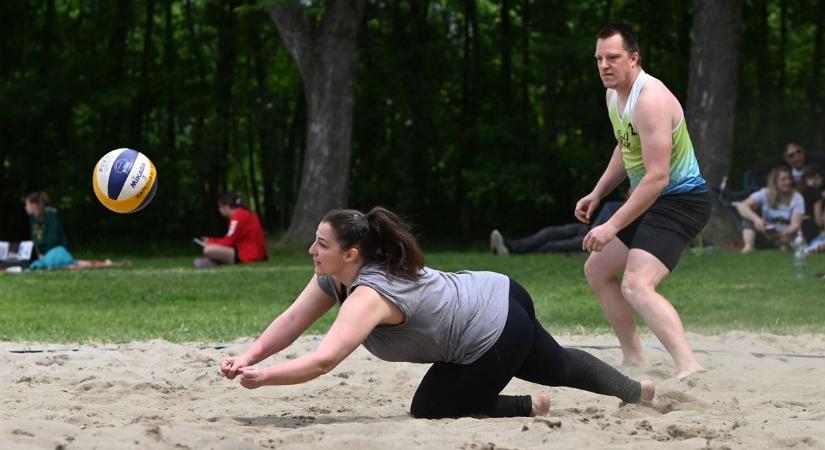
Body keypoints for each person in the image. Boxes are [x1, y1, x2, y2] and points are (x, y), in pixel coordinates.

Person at [221, 207, 655, 419]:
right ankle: (638, 392)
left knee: (429, 407)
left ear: (351, 253)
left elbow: (324, 359)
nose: (311, 250)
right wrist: (250, 357)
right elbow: (293, 320)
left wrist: (266, 378)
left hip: (492, 327)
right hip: (499, 292)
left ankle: (526, 405)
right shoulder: (339, 276)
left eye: (321, 244)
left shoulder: (368, 295)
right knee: (556, 363)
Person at [575, 23, 710, 379]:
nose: (605, 65)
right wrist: (598, 192)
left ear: (634, 59)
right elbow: (626, 146)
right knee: (598, 269)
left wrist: (612, 224)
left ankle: (689, 366)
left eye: (613, 58)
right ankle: (635, 358)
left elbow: (658, 176)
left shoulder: (650, 98)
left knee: (635, 283)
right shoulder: (613, 96)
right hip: (652, 198)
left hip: (681, 200)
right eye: (599, 58)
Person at [19, 191, 118, 271]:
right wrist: (38, 254)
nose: (25, 207)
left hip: (56, 250)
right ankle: (103, 263)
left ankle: (102, 264)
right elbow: (35, 240)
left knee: (57, 263)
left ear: (34, 205)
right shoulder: (33, 219)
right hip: (44, 254)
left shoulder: (50, 214)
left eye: (27, 204)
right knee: (50, 263)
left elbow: (52, 238)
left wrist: (44, 255)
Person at [490, 201, 623, 255]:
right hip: (591, 229)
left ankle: (511, 249)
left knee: (554, 245)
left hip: (603, 240)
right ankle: (511, 245)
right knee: (549, 232)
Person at [736, 167, 806, 252]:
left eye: (788, 179)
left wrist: (782, 234)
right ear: (775, 182)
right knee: (748, 216)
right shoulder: (764, 193)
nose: (787, 182)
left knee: (789, 240)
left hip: (787, 233)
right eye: (783, 180)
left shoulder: (797, 197)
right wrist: (757, 220)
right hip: (766, 231)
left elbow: (796, 225)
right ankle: (749, 246)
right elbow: (742, 206)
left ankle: (786, 247)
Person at [194, 193, 268, 268]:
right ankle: (213, 262)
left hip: (249, 255)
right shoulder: (246, 213)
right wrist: (211, 241)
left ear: (226, 207)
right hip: (255, 253)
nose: (219, 210)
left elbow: (228, 242)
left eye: (220, 207)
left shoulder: (238, 216)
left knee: (208, 250)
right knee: (211, 249)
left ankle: (215, 262)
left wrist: (210, 242)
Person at [799, 163, 825, 242]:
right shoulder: (816, 194)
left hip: (798, 228)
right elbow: (819, 221)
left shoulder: (798, 191)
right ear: (817, 177)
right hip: (811, 229)